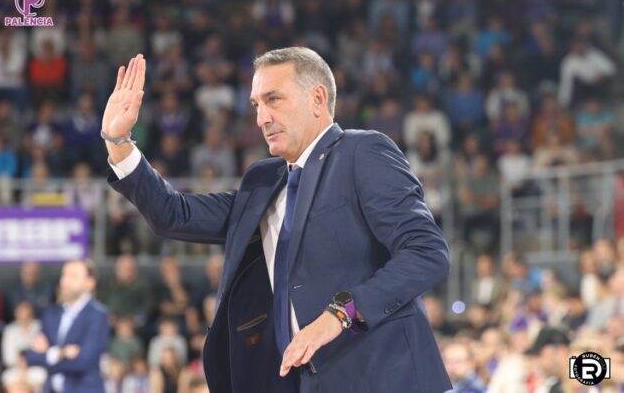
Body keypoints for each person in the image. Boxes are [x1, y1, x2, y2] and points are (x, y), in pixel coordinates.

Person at [102, 48, 451, 392]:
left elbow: (426, 252)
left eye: (273, 100)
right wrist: (119, 142)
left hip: (388, 377)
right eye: (256, 105)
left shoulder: (362, 152)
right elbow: (173, 215)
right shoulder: (263, 182)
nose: (261, 118)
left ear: (317, 99)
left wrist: (341, 314)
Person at [25, 260, 110, 393]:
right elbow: (32, 357)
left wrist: (47, 356)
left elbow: (83, 362)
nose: (66, 281)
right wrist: (60, 353)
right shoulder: (51, 314)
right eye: (64, 275)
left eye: (73, 276)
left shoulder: (98, 315)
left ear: (90, 283)